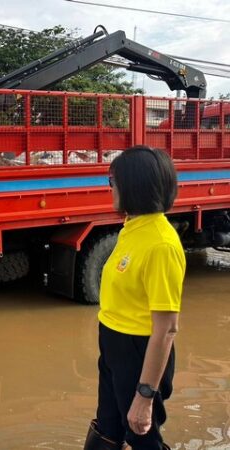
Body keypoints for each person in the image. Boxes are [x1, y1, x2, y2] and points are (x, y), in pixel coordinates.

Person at [84, 146, 186, 450]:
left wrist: (144, 395)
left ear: (133, 186)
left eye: (112, 182)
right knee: (107, 429)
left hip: (139, 353)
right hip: (114, 344)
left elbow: (166, 328)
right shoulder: (133, 227)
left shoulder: (161, 245)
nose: (110, 189)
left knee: (140, 435)